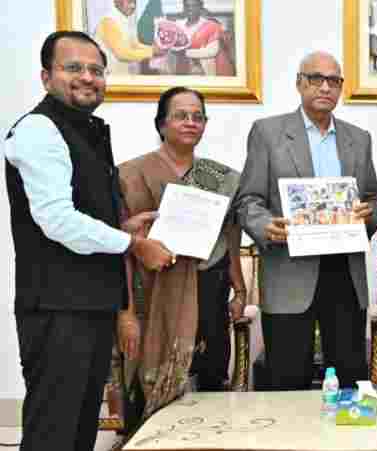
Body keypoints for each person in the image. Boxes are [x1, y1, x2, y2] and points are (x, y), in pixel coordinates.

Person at [3, 31, 173, 451]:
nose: (87, 77)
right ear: (46, 77)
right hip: (58, 309)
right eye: (73, 68)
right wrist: (133, 245)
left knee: (79, 431)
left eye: (96, 70)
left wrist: (125, 227)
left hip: (89, 304)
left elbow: (80, 211)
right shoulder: (40, 130)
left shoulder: (85, 131)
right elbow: (57, 221)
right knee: (53, 432)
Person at [236, 51, 377, 390]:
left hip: (345, 272)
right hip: (289, 270)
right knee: (287, 379)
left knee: (350, 378)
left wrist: (369, 214)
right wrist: (265, 226)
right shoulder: (267, 133)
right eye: (316, 79)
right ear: (300, 83)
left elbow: (373, 198)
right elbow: (248, 200)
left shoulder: (359, 138)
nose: (325, 87)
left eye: (334, 81)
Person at [117, 87, 246, 424]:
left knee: (210, 386)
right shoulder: (130, 174)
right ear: (162, 124)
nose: (191, 122)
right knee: (147, 388)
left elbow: (230, 236)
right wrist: (125, 313)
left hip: (210, 292)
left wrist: (240, 290)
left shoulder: (222, 178)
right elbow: (122, 250)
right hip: (152, 296)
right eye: (181, 116)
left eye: (198, 117)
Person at [94, 0, 155, 75]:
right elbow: (122, 54)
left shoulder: (126, 20)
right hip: (108, 76)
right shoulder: (109, 21)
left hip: (120, 74)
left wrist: (154, 50)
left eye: (134, 2)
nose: (133, 6)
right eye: (129, 2)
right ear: (117, 2)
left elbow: (134, 45)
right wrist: (152, 53)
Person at [175, 0, 235, 76]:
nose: (190, 9)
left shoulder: (210, 25)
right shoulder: (178, 25)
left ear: (200, 7)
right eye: (187, 6)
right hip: (182, 70)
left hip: (204, 72)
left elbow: (212, 51)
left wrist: (184, 52)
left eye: (194, 6)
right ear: (183, 7)